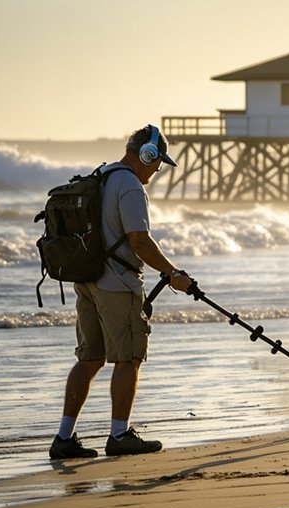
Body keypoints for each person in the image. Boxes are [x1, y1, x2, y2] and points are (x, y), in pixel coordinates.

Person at [49, 124, 193, 459]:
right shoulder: (129, 185)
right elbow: (139, 241)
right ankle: (119, 435)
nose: (157, 170)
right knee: (128, 357)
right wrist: (172, 274)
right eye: (156, 163)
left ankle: (64, 438)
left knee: (89, 359)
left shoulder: (102, 175)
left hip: (88, 281)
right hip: (118, 284)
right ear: (147, 154)